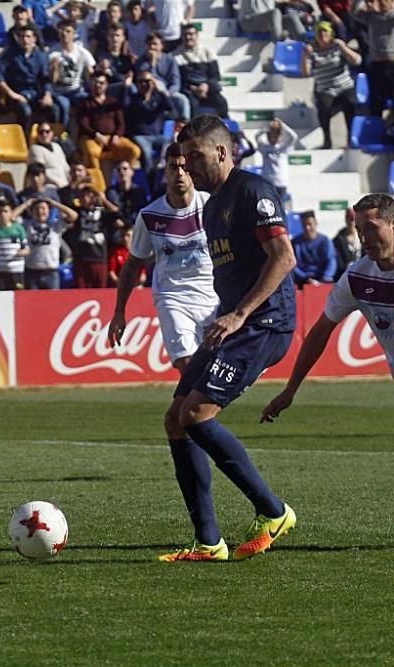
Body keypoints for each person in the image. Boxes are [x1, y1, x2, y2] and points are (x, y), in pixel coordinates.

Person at [156, 114, 297, 562]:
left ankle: (273, 511)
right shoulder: (212, 204)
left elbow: (284, 257)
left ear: (222, 151)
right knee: (177, 417)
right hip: (233, 323)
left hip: (264, 323)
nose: (187, 165)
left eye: (194, 156)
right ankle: (208, 542)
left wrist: (239, 314)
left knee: (197, 412)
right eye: (182, 157)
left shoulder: (252, 191)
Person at [262, 193, 394, 427]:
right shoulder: (357, 278)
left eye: (372, 228)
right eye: (360, 229)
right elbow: (321, 330)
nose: (364, 238)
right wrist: (291, 389)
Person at [108, 141, 216, 378]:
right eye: (173, 167)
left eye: (184, 167)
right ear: (165, 172)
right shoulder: (149, 216)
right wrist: (119, 312)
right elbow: (133, 264)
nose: (179, 173)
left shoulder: (211, 205)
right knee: (188, 364)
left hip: (214, 297)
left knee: (208, 379)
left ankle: (185, 414)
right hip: (173, 298)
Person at [301, 21, 360, 150]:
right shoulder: (312, 50)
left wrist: (344, 48)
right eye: (319, 32)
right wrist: (305, 56)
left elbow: (357, 60)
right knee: (323, 109)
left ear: (331, 33)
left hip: (344, 86)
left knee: (351, 104)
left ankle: (351, 141)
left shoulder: (337, 46)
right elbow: (306, 73)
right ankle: (327, 142)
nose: (322, 34)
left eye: (325, 31)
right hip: (325, 88)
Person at [76, 72, 142, 172]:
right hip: (92, 138)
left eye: (101, 83)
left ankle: (126, 179)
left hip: (112, 138)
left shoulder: (113, 102)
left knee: (134, 151)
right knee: (91, 152)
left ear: (106, 85)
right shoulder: (84, 103)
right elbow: (83, 124)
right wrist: (96, 135)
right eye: (95, 82)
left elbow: (121, 123)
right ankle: (97, 185)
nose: (98, 85)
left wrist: (117, 135)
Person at [1, 27, 59, 133]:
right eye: (22, 36)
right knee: (25, 111)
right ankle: (23, 141)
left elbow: (45, 79)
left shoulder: (40, 56)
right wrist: (12, 93)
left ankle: (51, 138)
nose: (25, 40)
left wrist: (47, 95)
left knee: (54, 109)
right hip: (17, 95)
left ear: (34, 39)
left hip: (35, 94)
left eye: (28, 36)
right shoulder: (9, 55)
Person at [126, 66, 174, 173]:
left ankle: (166, 176)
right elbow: (125, 106)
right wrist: (126, 87)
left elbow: (171, 109)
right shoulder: (133, 98)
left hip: (157, 135)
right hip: (140, 135)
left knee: (173, 146)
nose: (144, 84)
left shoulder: (158, 97)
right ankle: (150, 180)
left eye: (147, 81)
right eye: (141, 81)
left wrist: (160, 90)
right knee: (147, 155)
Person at [173, 25, 227, 118]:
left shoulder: (208, 52)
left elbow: (215, 75)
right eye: (185, 34)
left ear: (197, 36)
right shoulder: (175, 55)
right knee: (192, 105)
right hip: (189, 90)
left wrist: (206, 86)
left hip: (207, 88)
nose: (188, 37)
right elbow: (178, 79)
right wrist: (193, 88)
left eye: (191, 34)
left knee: (221, 102)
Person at [24, 197, 76, 289]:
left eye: (43, 208)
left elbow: (73, 215)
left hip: (51, 272)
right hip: (32, 272)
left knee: (53, 302)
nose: (40, 211)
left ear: (49, 211)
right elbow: (11, 217)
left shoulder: (56, 225)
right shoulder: (27, 225)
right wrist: (27, 204)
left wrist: (55, 204)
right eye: (37, 209)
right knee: (32, 301)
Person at [353, 0, 394, 116]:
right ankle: (376, 127)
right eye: (380, 1)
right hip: (376, 65)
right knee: (376, 101)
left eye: (386, 0)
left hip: (392, 65)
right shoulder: (370, 17)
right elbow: (354, 12)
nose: (383, 3)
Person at [0, 196, 33, 290]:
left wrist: (22, 252)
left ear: (11, 213)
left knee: (19, 296)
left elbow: (27, 249)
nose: (3, 214)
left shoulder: (18, 229)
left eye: (5, 211)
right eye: (0, 211)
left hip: (16, 272)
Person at [255, 118, 297, 206]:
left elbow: (294, 137)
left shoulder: (283, 147)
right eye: (271, 135)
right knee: (268, 209)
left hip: (281, 182)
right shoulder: (264, 147)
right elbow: (257, 136)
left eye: (276, 134)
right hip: (267, 182)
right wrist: (267, 127)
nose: (273, 137)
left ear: (279, 135)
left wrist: (282, 125)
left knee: (280, 208)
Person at [292, 210, 337, 285]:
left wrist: (325, 277)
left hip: (323, 279)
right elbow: (293, 265)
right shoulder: (295, 242)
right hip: (302, 280)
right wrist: (305, 278)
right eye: (304, 225)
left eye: (310, 224)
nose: (307, 228)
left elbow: (331, 261)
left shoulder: (325, 241)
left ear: (316, 223)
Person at [106, 160, 149, 227]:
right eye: (118, 170)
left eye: (125, 169)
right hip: (116, 228)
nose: (122, 172)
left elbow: (140, 213)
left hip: (134, 227)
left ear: (132, 172)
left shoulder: (138, 191)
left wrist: (126, 224)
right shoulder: (111, 192)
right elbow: (108, 213)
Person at [29, 122, 71, 190]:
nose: (44, 134)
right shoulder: (35, 149)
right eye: (41, 132)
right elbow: (40, 172)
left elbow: (66, 167)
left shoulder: (57, 146)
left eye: (47, 131)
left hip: (64, 185)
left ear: (52, 133)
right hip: (49, 185)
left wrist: (70, 182)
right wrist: (58, 183)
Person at [333, 207, 360, 278]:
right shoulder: (338, 239)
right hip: (344, 275)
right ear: (345, 219)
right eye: (349, 218)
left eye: (353, 219)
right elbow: (338, 261)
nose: (351, 222)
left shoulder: (364, 236)